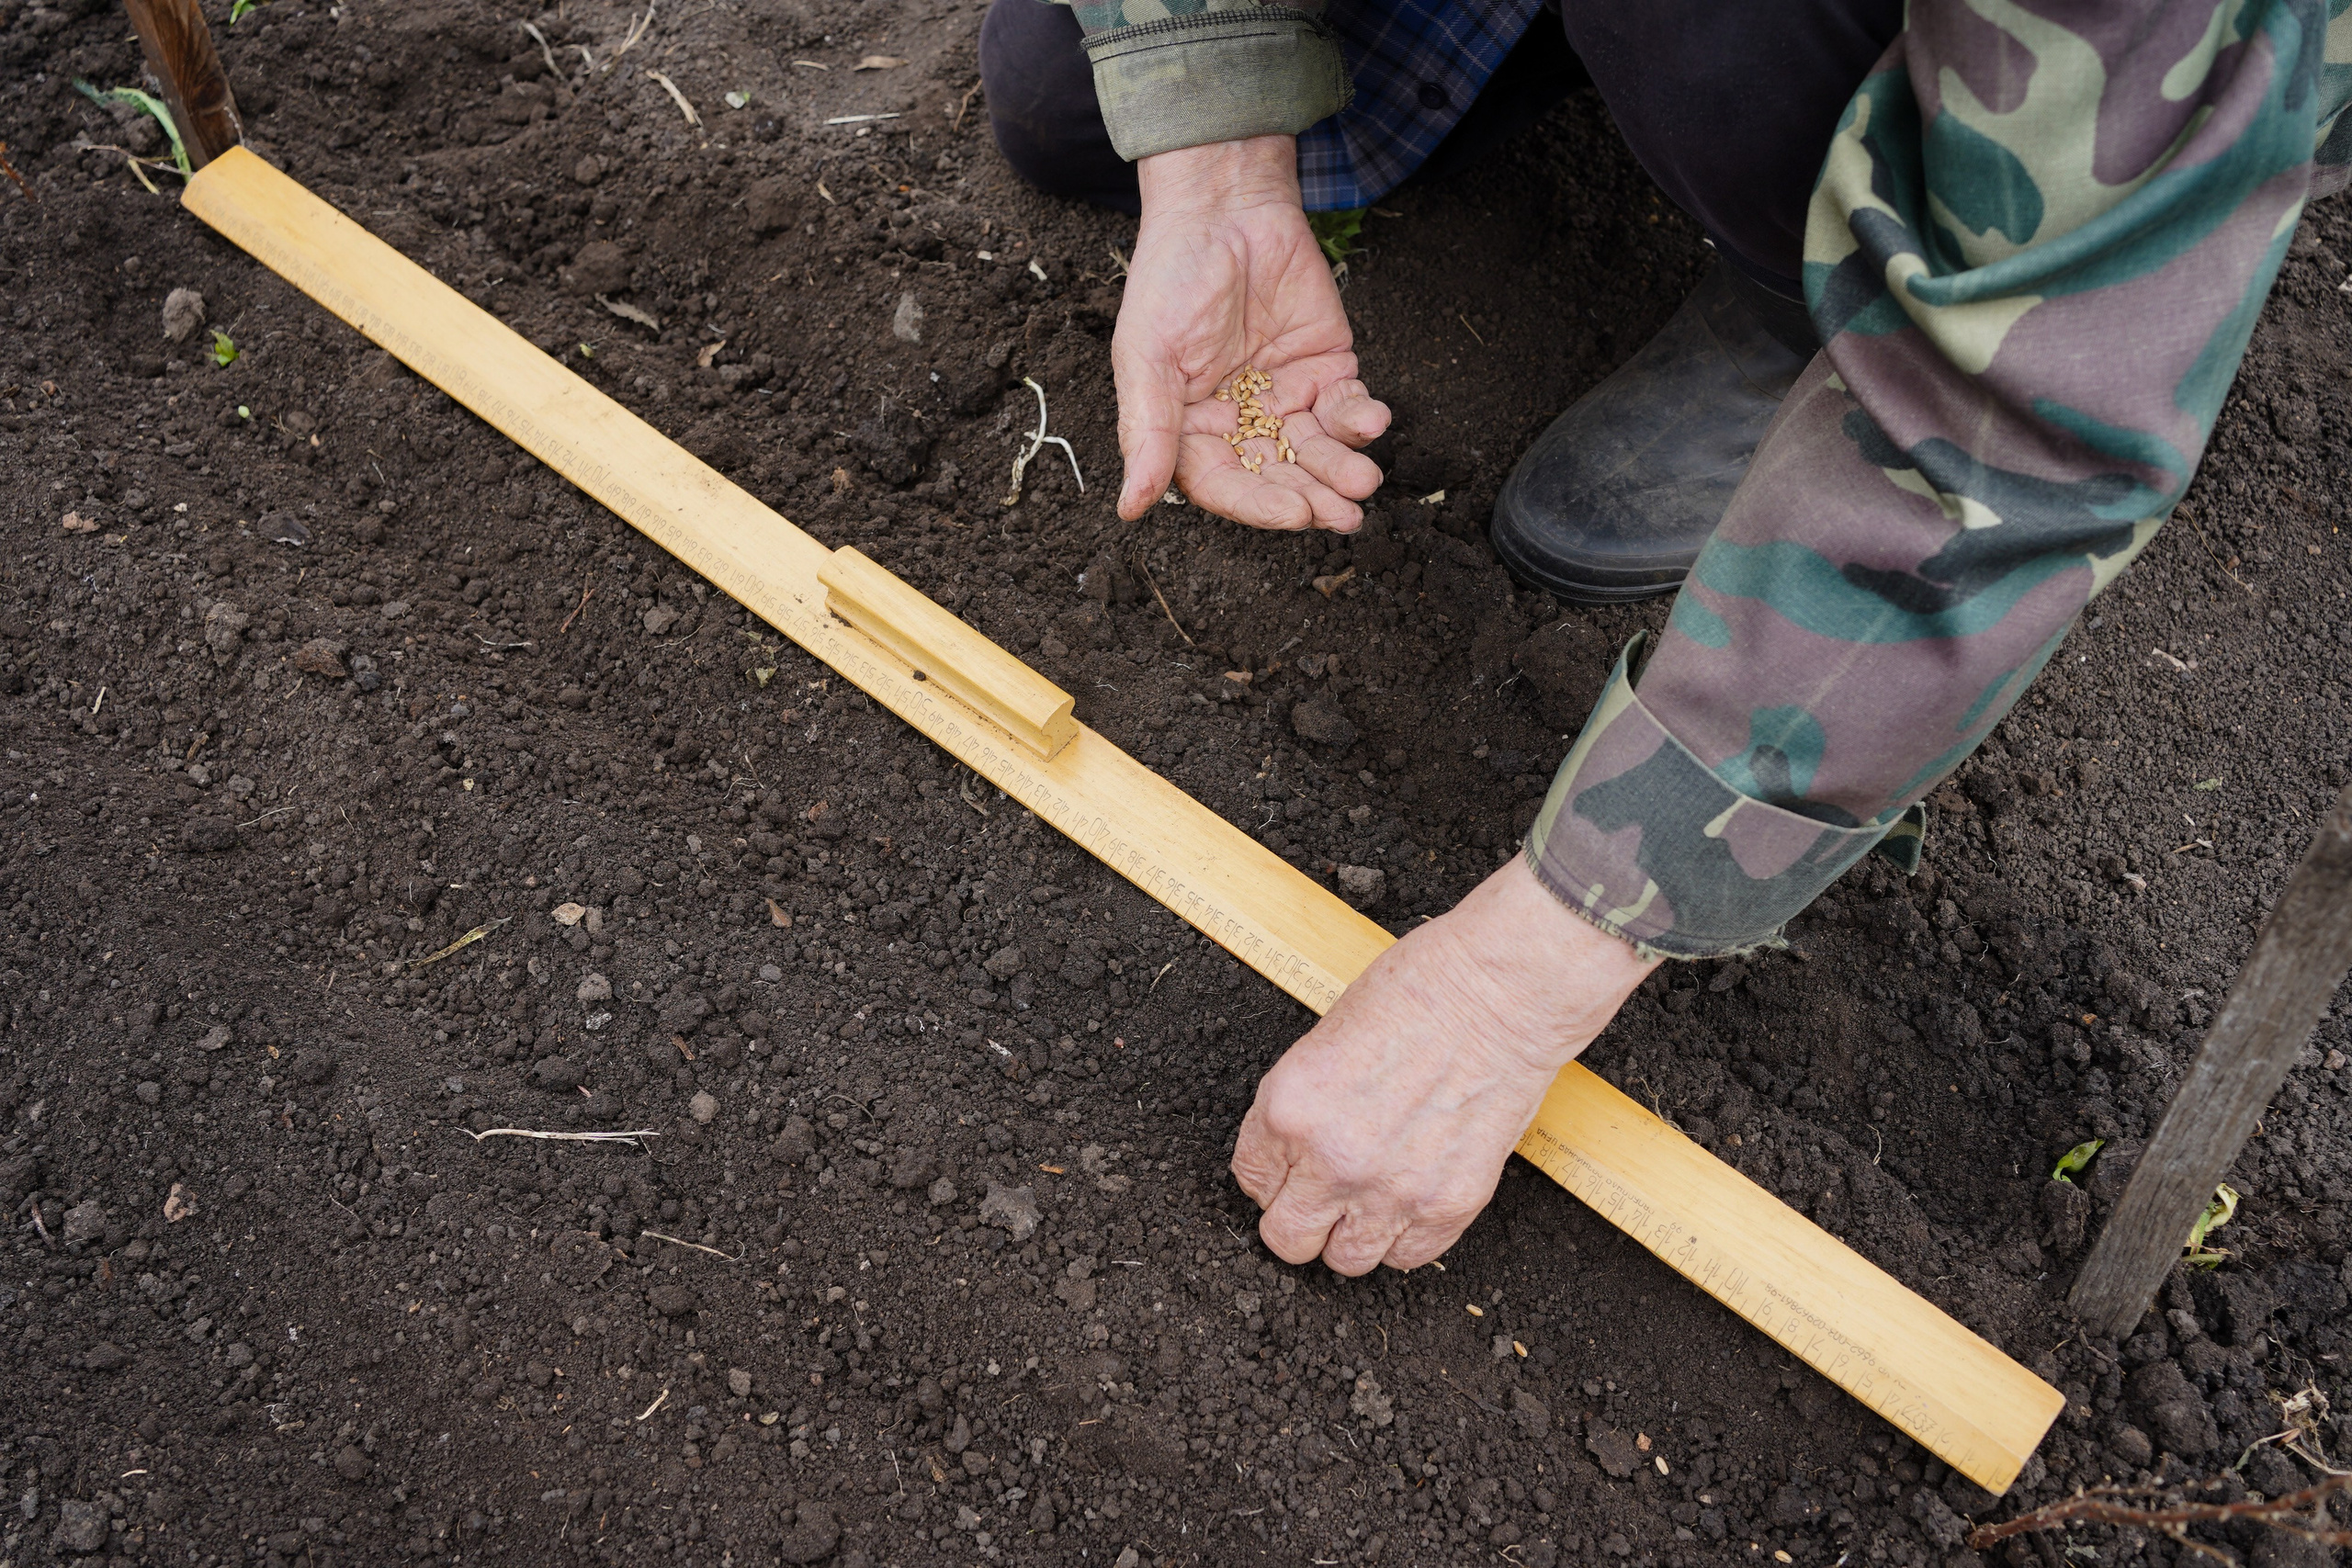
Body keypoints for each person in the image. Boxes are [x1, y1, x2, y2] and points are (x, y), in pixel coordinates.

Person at [978, 0, 2352, 1276]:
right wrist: (1216, 149)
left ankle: (1816, 293)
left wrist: (1517, 985)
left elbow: (2029, 431)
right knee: (1079, 92)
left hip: (2108, 121)